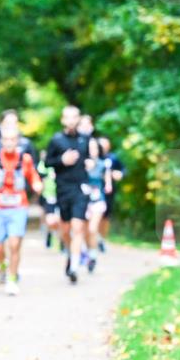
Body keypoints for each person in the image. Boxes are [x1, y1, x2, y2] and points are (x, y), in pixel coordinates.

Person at [0, 126, 43, 295]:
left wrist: (37, 184)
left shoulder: (25, 159)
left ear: (17, 141)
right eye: (6, 139)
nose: (9, 143)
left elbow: (33, 175)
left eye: (12, 139)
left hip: (18, 207)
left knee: (14, 244)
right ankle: (1, 268)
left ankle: (12, 279)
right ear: (1, 141)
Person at [44, 105, 96, 284]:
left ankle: (74, 266)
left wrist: (89, 163)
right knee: (65, 231)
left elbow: (89, 159)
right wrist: (62, 160)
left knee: (78, 227)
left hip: (80, 189)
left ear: (79, 119)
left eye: (75, 117)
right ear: (63, 120)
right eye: (68, 117)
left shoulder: (85, 139)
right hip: (63, 189)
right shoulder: (56, 140)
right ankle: (70, 254)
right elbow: (47, 163)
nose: (72, 120)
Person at [79, 116, 112, 273]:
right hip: (83, 199)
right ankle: (88, 253)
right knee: (84, 231)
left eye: (94, 148)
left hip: (98, 200)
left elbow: (107, 179)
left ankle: (93, 254)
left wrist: (108, 185)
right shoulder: (81, 163)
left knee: (92, 229)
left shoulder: (103, 164)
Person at [97, 135, 124, 248]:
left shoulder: (113, 158)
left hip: (108, 191)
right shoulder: (93, 157)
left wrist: (120, 174)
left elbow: (123, 169)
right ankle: (94, 238)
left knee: (106, 216)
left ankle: (102, 239)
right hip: (94, 190)